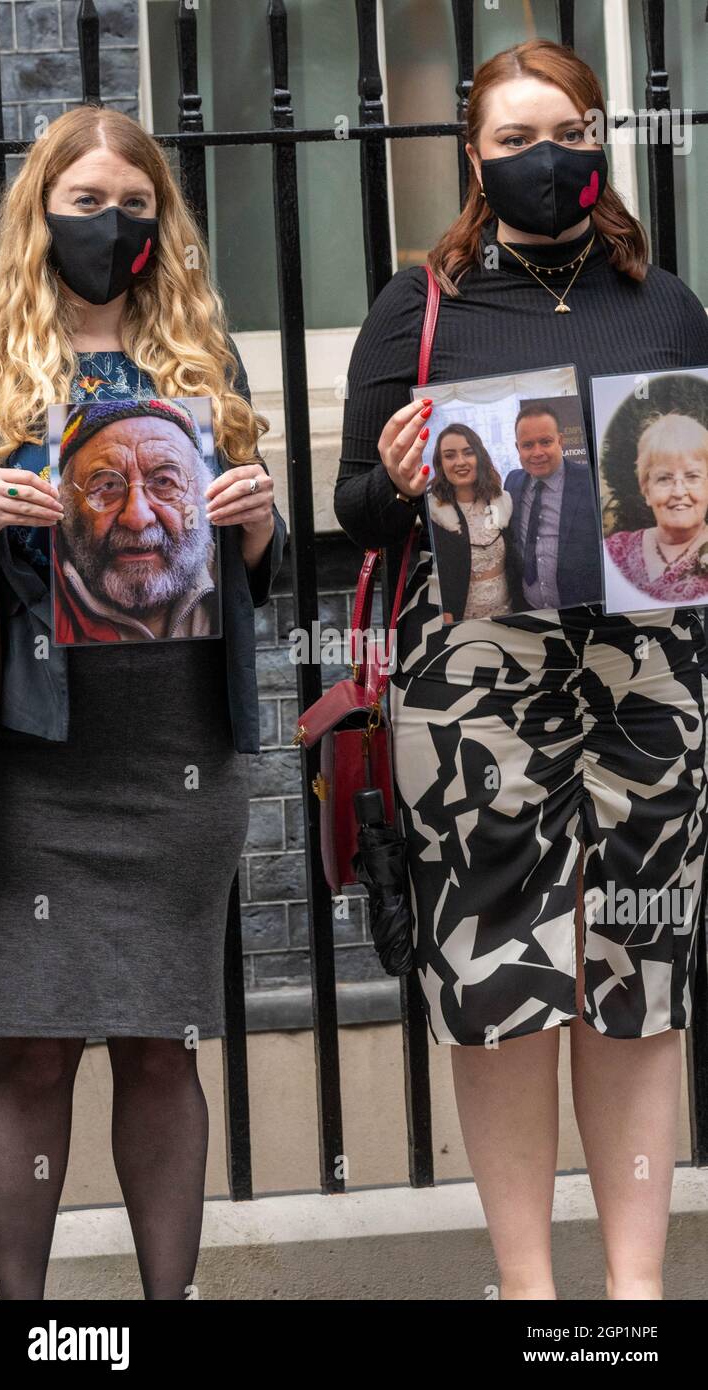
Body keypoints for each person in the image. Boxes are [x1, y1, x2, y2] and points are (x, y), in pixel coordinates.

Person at [335, 38, 708, 1301]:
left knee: (638, 977)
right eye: (513, 140)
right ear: (475, 161)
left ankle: (635, 1298)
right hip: (478, 696)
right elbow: (353, 510)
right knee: (500, 978)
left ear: (600, 140)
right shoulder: (417, 304)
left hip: (649, 684)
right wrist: (392, 475)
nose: (545, 159)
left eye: (567, 132)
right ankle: (529, 1297)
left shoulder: (666, 303)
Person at [0, 105, 286, 1300]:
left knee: (164, 1044)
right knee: (33, 1048)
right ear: (38, 216)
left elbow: (253, 574)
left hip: (177, 755)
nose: (112, 229)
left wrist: (258, 525)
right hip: (37, 755)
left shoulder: (204, 361)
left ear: (164, 221)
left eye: (135, 207)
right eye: (86, 205)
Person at [51, 400, 222, 643]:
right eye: (107, 486)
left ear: (202, 491)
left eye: (164, 482)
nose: (137, 518)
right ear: (66, 501)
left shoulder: (233, 567)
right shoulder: (32, 581)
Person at [504, 401, 602, 607]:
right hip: (528, 610)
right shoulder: (512, 482)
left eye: (546, 442)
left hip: (581, 614)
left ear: (560, 441)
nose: (537, 452)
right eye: (528, 445)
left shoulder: (592, 481)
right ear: (517, 448)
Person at [605, 412, 708, 603]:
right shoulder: (615, 551)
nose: (678, 492)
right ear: (646, 490)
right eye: (664, 478)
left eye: (692, 477)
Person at [426, 422, 523, 619]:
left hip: (508, 618)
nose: (460, 461)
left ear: (479, 456)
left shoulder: (503, 501)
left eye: (468, 452)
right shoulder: (433, 512)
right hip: (462, 625)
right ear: (440, 463)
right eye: (450, 455)